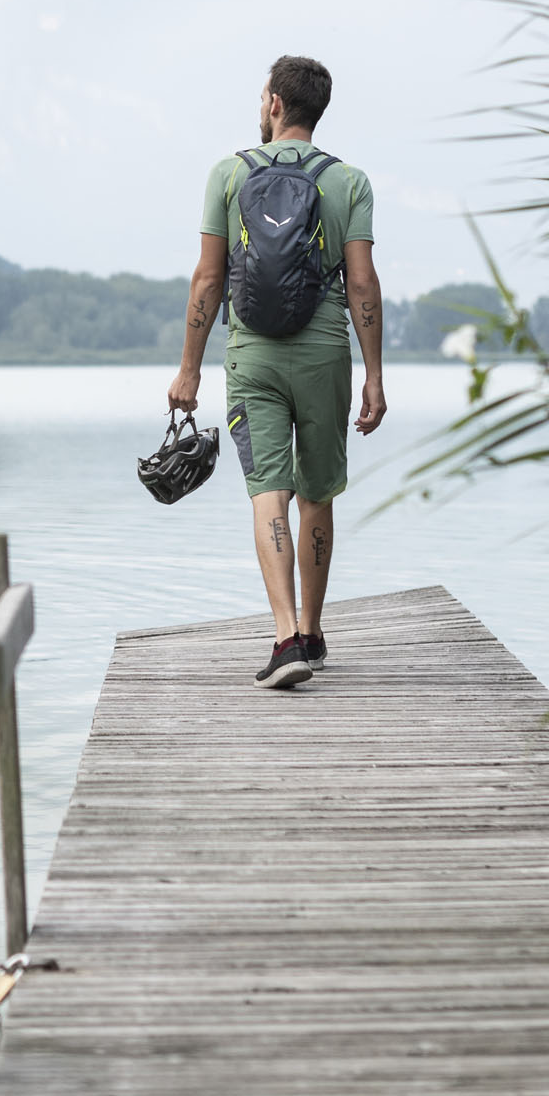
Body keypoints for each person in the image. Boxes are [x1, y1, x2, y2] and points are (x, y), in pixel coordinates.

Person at [166, 56, 385, 689]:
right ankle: (314, 635)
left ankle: (285, 637)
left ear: (273, 105)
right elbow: (363, 282)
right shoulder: (350, 182)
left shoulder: (229, 174)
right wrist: (373, 376)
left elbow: (209, 278)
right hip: (324, 354)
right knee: (318, 493)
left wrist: (189, 371)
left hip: (253, 355)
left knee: (270, 493)